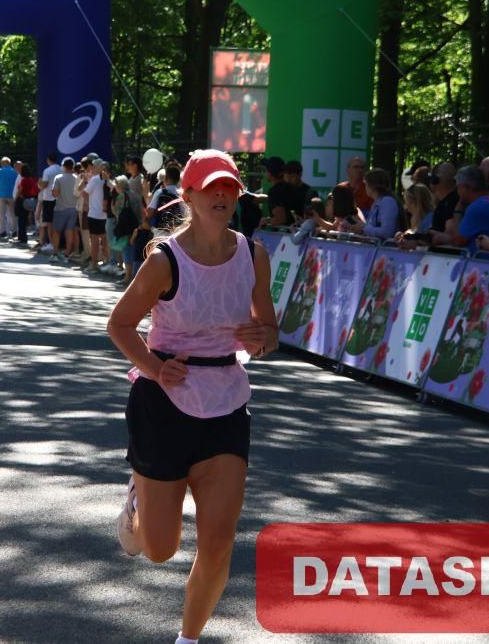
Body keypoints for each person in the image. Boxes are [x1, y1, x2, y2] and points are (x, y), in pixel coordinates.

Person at [106, 148, 277, 644]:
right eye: (212, 187)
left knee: (219, 542)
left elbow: (269, 333)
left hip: (226, 401)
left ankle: (188, 639)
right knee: (159, 549)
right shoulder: (166, 261)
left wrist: (261, 339)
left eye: (230, 188)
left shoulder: (253, 255)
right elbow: (119, 325)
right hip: (164, 403)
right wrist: (157, 369)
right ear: (189, 195)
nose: (223, 194)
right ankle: (138, 499)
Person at [432, 165, 489, 253]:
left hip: (480, 259)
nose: (457, 191)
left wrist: (458, 210)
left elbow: (458, 241)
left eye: (457, 187)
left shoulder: (476, 208)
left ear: (463, 188)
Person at [345, 168, 403, 241]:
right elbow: (373, 229)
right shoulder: (377, 202)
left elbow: (386, 233)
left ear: (373, 186)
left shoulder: (387, 201)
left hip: (385, 247)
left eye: (365, 184)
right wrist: (360, 229)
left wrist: (363, 227)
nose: (364, 187)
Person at [49, 157, 78, 264]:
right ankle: (66, 254)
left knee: (56, 231)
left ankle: (55, 253)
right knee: (69, 231)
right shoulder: (77, 178)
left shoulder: (58, 178)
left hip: (60, 208)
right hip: (73, 208)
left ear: (64, 166)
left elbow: (55, 193)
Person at [84, 160, 111, 273]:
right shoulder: (109, 179)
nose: (92, 168)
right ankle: (108, 262)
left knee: (94, 240)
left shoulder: (94, 179)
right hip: (107, 215)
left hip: (95, 214)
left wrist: (89, 203)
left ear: (99, 168)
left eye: (94, 166)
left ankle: (94, 265)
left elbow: (84, 193)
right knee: (105, 240)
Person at [15, 163, 39, 245]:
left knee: (21, 220)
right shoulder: (31, 179)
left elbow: (20, 190)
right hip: (28, 200)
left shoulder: (24, 180)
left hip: (22, 200)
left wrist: (16, 198)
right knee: (24, 219)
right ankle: (23, 237)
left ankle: (22, 238)